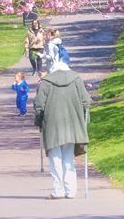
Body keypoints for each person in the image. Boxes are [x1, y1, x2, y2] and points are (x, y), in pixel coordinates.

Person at [34, 54, 91, 199]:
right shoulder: (76, 79)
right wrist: (85, 120)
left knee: (55, 159)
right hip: (72, 125)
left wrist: (39, 121)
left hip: (52, 125)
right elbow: (86, 102)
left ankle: (58, 191)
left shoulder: (46, 82)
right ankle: (71, 191)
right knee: (68, 158)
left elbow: (39, 105)